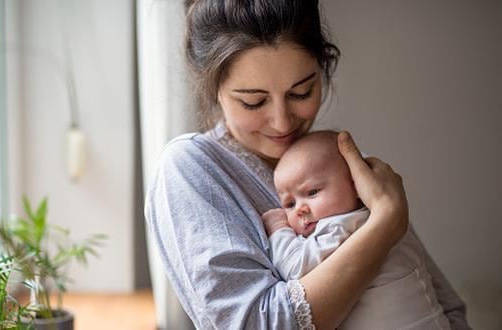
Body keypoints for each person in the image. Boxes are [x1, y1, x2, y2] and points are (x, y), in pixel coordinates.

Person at [145, 0, 469, 328]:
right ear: (214, 90)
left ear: (323, 67)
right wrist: (385, 222)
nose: (282, 122)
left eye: (301, 92)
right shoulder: (189, 169)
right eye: (253, 101)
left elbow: (448, 307)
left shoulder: (335, 159)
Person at [263, 130, 451, 329]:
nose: (300, 209)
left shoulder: (343, 227)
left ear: (356, 185)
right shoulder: (374, 214)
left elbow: (295, 269)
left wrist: (278, 230)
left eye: (312, 192)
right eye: (289, 204)